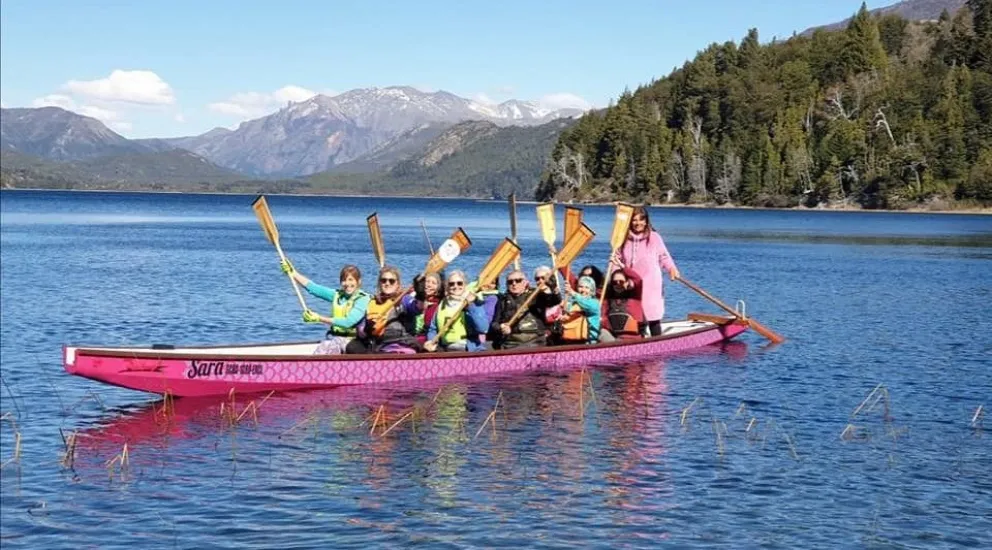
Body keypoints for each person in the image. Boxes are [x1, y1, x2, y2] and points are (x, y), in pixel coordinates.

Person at [610, 206, 680, 337]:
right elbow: (616, 260)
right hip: (630, 283)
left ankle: (656, 342)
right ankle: (638, 341)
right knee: (634, 313)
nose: (638, 223)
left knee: (652, 315)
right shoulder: (622, 239)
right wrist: (615, 279)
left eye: (641, 220)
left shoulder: (654, 237)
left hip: (651, 282)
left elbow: (664, 256)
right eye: (634, 220)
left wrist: (672, 268)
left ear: (646, 221)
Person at [281, 261, 370, 355]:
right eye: (344, 280)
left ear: (358, 282)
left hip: (353, 342)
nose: (347, 283)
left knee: (329, 345)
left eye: (351, 280)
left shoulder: (363, 299)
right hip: (335, 339)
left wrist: (319, 318)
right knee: (329, 343)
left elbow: (348, 322)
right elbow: (314, 288)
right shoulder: (337, 295)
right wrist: (293, 273)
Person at [346, 266, 422, 354]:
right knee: (352, 347)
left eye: (391, 281)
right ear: (379, 283)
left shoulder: (404, 300)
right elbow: (361, 331)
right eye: (383, 280)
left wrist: (420, 293)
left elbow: (417, 308)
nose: (387, 283)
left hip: (400, 343)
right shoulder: (372, 302)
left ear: (397, 284)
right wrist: (364, 329)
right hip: (378, 344)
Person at [489, 269, 562, 349]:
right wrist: (501, 327)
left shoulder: (536, 295)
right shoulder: (503, 300)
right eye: (510, 282)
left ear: (525, 282)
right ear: (507, 284)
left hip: (536, 341)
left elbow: (553, 301)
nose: (514, 284)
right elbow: (494, 323)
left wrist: (554, 288)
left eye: (518, 280)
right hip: (512, 343)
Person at [424, 270, 489, 352]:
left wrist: (472, 306)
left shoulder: (474, 303)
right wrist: (431, 341)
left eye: (459, 283)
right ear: (447, 286)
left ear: (465, 285)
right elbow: (433, 329)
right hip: (446, 349)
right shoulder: (441, 305)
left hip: (469, 349)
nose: (455, 286)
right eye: (451, 284)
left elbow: (483, 328)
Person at [554, 276, 601, 345]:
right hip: (571, 341)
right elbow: (563, 305)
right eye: (580, 287)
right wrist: (556, 293)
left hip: (589, 343)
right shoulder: (573, 304)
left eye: (587, 287)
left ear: (591, 290)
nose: (583, 290)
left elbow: (585, 304)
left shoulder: (594, 303)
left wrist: (572, 293)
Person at [601, 267, 644, 341]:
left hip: (633, 339)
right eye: (615, 282)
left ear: (627, 282)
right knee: (600, 332)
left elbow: (638, 280)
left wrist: (623, 267)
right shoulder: (608, 300)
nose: (618, 284)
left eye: (621, 282)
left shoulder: (635, 297)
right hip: (615, 338)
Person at [413, 273, 443, 345]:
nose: (429, 285)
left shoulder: (438, 304)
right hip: (413, 335)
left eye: (433, 283)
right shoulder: (415, 300)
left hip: (428, 337)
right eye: (427, 281)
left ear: (438, 288)